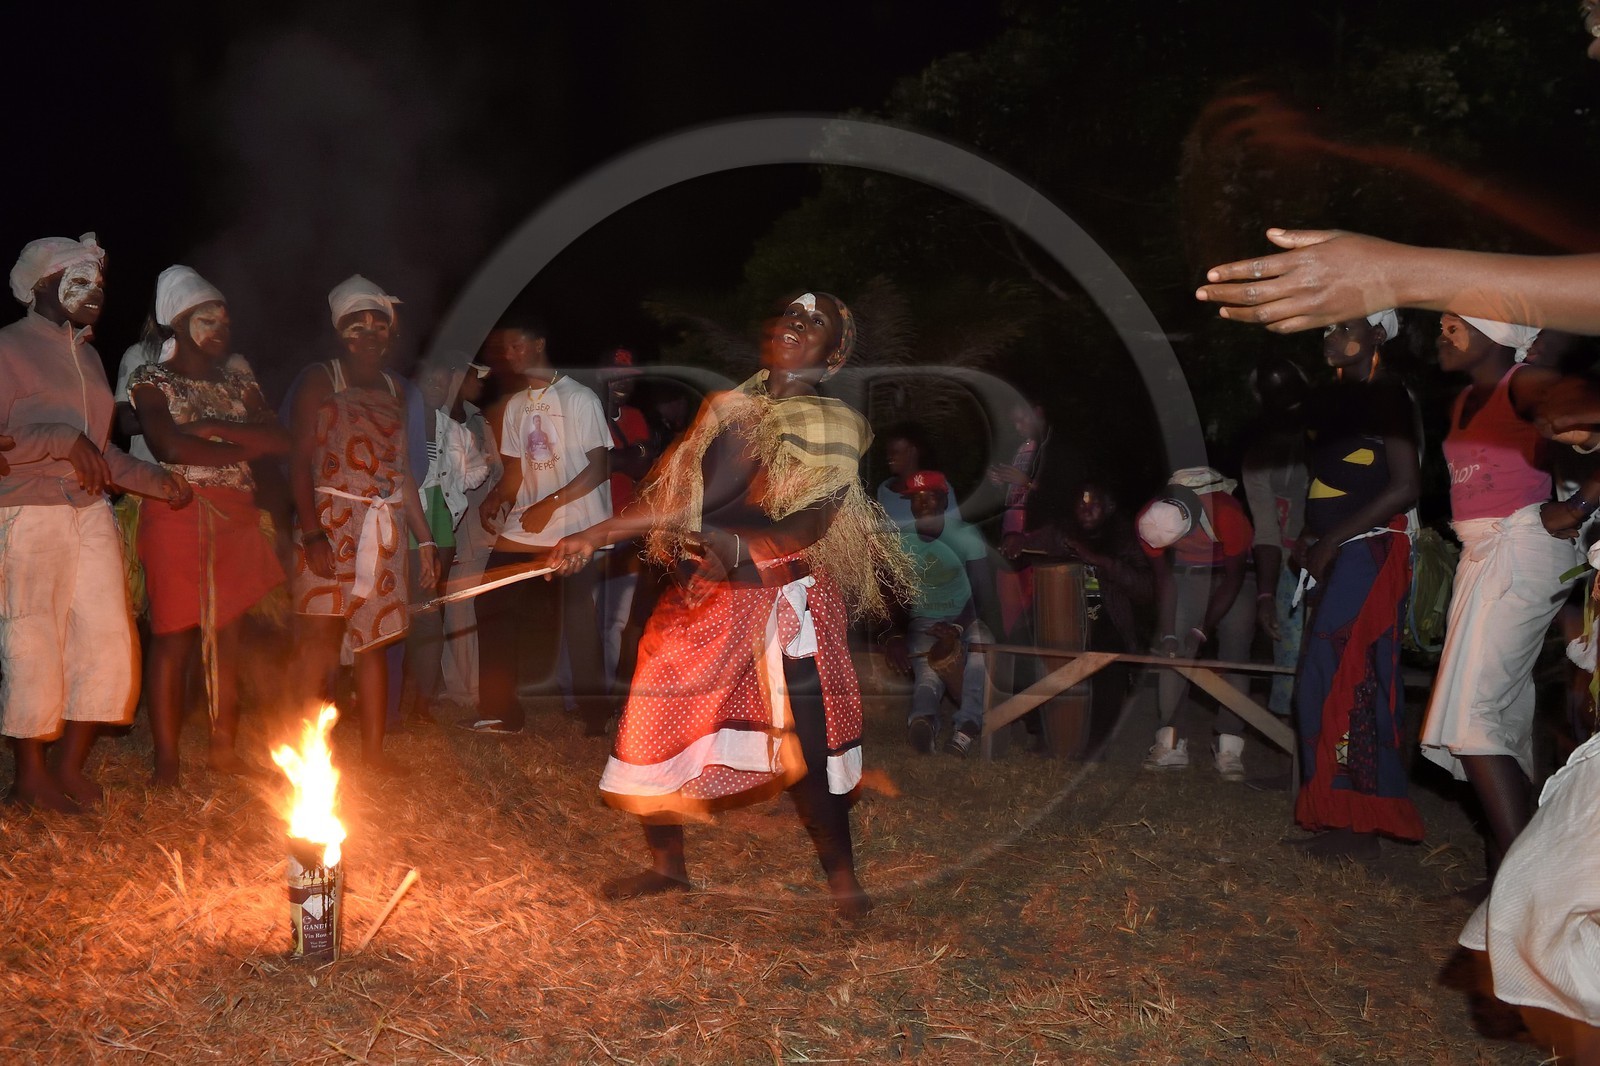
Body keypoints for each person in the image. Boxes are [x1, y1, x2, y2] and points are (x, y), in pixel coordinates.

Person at [547, 291, 916, 919]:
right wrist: (593, 534)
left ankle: (847, 888)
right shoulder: (726, 409)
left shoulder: (837, 426)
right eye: (793, 315)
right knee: (654, 718)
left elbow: (813, 520)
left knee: (813, 739)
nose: (798, 323)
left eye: (816, 321)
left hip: (782, 591)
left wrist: (739, 548)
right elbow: (679, 499)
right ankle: (667, 869)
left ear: (834, 356)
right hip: (706, 593)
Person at [0, 234, 191, 812]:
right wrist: (59, 439)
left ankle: (66, 765)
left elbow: (99, 453)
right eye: (77, 283)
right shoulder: (9, 347)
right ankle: (28, 775)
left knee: (109, 641)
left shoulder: (87, 357)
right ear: (40, 288)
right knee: (33, 638)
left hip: (89, 513)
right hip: (27, 509)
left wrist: (155, 480)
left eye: (99, 287)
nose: (95, 296)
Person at [1421, 315, 1584, 890]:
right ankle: (1504, 875)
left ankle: (1528, 892)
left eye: (1454, 326)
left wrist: (1582, 505)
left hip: (1520, 544)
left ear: (1496, 333)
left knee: (1473, 718)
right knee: (1500, 718)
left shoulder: (1526, 382)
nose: (1441, 336)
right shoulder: (1468, 396)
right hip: (1483, 553)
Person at [128, 266, 288, 785]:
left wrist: (214, 428)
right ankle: (168, 761)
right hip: (176, 510)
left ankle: (224, 749)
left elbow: (281, 442)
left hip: (237, 513)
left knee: (230, 636)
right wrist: (240, 440)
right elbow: (168, 447)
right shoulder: (152, 380)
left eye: (224, 319)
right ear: (177, 322)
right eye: (206, 319)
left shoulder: (240, 381)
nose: (220, 328)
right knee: (173, 635)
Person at [287, 274, 437, 772]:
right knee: (319, 644)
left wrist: (426, 539)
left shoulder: (398, 388)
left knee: (374, 642)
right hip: (328, 523)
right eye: (357, 327)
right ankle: (312, 756)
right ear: (339, 332)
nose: (369, 336)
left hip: (383, 527)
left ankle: (373, 755)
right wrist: (311, 533)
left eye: (378, 327)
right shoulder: (321, 378)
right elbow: (299, 460)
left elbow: (404, 472)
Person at [1290, 309, 1423, 859]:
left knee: (1352, 678)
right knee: (1320, 682)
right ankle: (1332, 811)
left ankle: (1360, 824)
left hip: (1369, 550)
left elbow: (1406, 486)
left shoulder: (1389, 393)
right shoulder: (1345, 402)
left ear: (1377, 335)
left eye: (1344, 327)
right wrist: (1307, 534)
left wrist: (1329, 540)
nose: (1331, 337)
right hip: (1338, 552)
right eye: (1327, 329)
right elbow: (1332, 480)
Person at [469, 319, 612, 736]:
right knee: (491, 601)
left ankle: (594, 717)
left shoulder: (579, 397)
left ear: (538, 345)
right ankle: (500, 711)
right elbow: (517, 467)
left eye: (516, 346)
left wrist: (551, 503)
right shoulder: (515, 406)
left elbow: (600, 466)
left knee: (578, 619)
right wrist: (498, 496)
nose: (509, 356)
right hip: (528, 522)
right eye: (505, 349)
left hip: (576, 522)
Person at [1135, 468, 1256, 780]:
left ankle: (1229, 745)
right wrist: (1170, 633)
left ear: (1188, 523)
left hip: (1229, 578)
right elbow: (1163, 578)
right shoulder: (1149, 521)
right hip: (1185, 576)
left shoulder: (1226, 514)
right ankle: (1171, 741)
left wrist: (1202, 629)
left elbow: (1234, 578)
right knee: (1171, 657)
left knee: (1234, 653)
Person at [1023, 480, 1153, 753]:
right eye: (1081, 504)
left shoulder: (1125, 537)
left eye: (1093, 503)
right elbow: (1029, 540)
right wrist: (1016, 539)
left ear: (1109, 507)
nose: (1086, 509)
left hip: (1108, 619)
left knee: (1108, 661)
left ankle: (1097, 741)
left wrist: (1099, 560)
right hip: (1062, 616)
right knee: (1033, 652)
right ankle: (1048, 733)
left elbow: (1145, 588)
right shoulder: (1062, 531)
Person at [400, 350, 488, 719]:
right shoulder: (400, 422)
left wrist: (455, 491)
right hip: (401, 517)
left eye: (442, 382)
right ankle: (399, 693)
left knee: (427, 612)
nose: (437, 389)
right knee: (398, 609)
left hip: (438, 522)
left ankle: (422, 699)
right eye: (430, 382)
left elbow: (479, 468)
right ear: (416, 384)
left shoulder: (453, 429)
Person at [884, 470, 994, 758]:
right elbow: (891, 596)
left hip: (965, 617)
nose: (923, 506)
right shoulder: (900, 541)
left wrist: (957, 628)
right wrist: (895, 634)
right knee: (927, 670)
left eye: (931, 498)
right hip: (925, 621)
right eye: (916, 500)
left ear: (944, 502)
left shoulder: (966, 535)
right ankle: (923, 721)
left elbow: (983, 593)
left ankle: (967, 725)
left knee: (981, 646)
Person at [1240, 357, 1309, 723]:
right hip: (1288, 565)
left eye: (1289, 389)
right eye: (1273, 392)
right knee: (1289, 651)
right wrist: (1265, 596)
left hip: (1342, 553)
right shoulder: (1259, 458)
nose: (1285, 400)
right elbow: (1267, 532)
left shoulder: (1327, 437)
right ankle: (1293, 762)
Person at [597, 347, 655, 700]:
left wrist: (618, 459)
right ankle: (576, 693)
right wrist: (628, 455)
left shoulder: (634, 416)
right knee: (583, 617)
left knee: (617, 622)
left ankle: (608, 694)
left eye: (628, 378)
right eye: (614, 374)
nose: (621, 383)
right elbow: (596, 465)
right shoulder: (584, 414)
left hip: (626, 530)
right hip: (587, 528)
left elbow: (642, 468)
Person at [876, 422, 962, 533]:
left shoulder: (938, 485)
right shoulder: (884, 491)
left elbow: (955, 530)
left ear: (912, 452)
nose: (889, 457)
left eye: (895, 452)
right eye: (888, 453)